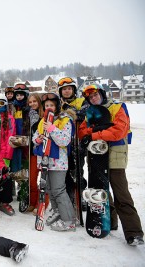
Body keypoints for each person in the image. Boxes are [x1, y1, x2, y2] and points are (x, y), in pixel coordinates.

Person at [79, 84, 144, 246]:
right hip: (96, 155)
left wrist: (94, 134)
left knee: (120, 192)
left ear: (101, 93)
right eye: (90, 97)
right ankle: (111, 222)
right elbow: (82, 131)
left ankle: (133, 232)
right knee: (102, 190)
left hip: (115, 154)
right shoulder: (90, 113)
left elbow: (119, 131)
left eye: (95, 95)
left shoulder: (117, 107)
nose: (93, 98)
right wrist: (94, 132)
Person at [32, 93, 76, 231]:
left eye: (51, 105)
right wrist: (38, 139)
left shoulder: (65, 120)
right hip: (45, 160)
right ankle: (58, 211)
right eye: (46, 106)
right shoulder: (42, 120)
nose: (49, 108)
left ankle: (69, 220)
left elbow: (64, 140)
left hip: (59, 162)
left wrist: (52, 128)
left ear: (57, 106)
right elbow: (34, 138)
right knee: (50, 189)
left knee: (58, 190)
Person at [57, 77, 89, 210]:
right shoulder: (58, 103)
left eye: (69, 88)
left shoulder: (82, 101)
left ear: (74, 90)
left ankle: (80, 196)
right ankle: (69, 196)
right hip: (63, 144)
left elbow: (83, 114)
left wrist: (68, 108)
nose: (67, 91)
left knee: (77, 172)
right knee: (65, 173)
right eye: (64, 89)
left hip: (78, 142)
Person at [27, 93, 49, 213]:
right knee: (32, 179)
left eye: (34, 101)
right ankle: (32, 201)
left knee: (43, 179)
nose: (32, 104)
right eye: (30, 102)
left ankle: (41, 203)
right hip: (32, 151)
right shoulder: (29, 115)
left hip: (43, 151)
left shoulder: (44, 115)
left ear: (39, 102)